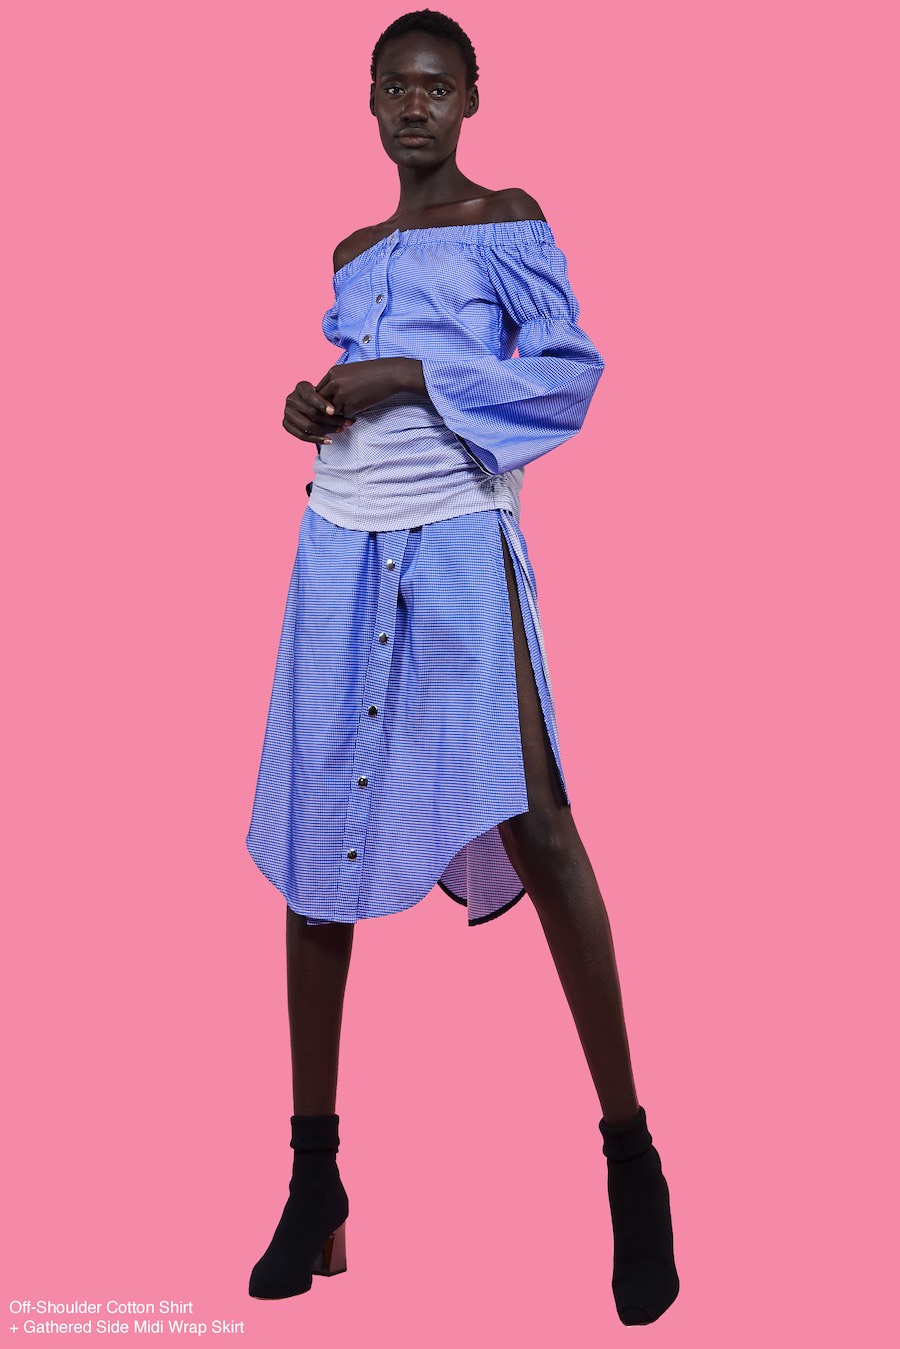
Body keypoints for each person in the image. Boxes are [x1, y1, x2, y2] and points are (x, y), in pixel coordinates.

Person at [245, 8, 679, 1326]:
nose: (415, 105)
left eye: (436, 86)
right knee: (316, 849)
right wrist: (317, 401)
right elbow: (356, 380)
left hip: (457, 534)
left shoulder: (509, 222)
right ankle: (313, 1177)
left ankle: (633, 1162)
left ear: (472, 98)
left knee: (540, 824)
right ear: (370, 102)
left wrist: (400, 374)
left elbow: (564, 377)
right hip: (338, 538)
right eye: (395, 86)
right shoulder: (352, 251)